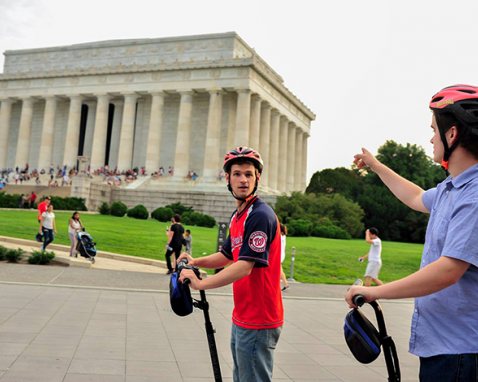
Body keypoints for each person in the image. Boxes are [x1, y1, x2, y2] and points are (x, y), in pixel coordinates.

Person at [345, 84, 478, 382]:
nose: (431, 137)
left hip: (461, 353)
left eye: (434, 129)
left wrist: (374, 290)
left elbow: (448, 270)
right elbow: (416, 197)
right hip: (442, 347)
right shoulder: (451, 188)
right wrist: (377, 166)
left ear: (453, 134)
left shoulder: (474, 195)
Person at [178, 147, 283, 382]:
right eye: (237, 174)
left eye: (249, 174)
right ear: (227, 178)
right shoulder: (239, 216)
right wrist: (196, 260)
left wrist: (201, 284)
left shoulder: (260, 215)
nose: (243, 180)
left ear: (258, 178)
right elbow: (226, 255)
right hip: (244, 314)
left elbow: (245, 265)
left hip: (259, 318)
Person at [280, 224, 289, 291]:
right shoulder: (284, 236)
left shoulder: (280, 236)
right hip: (282, 254)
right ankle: (285, 283)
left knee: (279, 270)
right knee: (280, 270)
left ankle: (285, 283)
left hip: (279, 255)